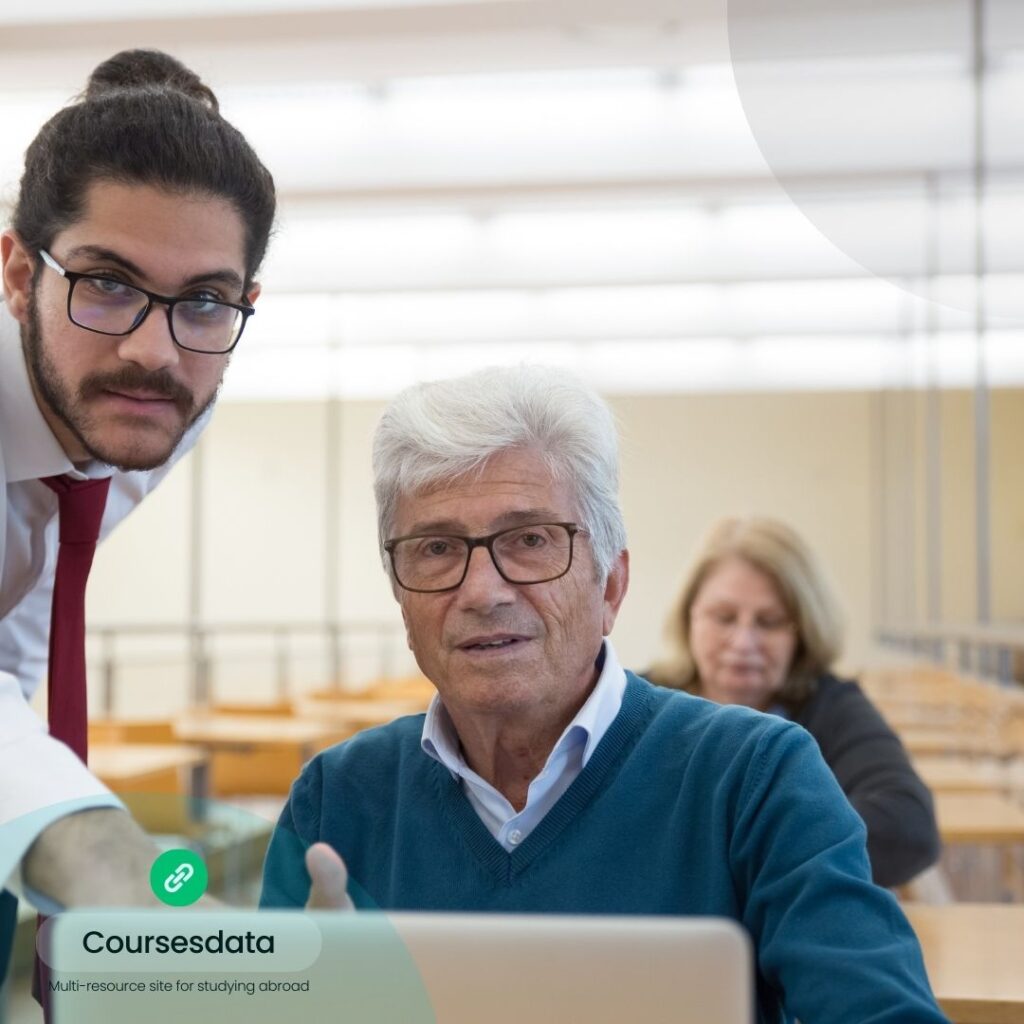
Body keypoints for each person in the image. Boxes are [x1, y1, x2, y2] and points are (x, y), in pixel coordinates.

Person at [261, 366, 948, 1024]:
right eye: (436, 549)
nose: (481, 591)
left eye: (530, 540)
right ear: (400, 595)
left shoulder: (756, 779)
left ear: (611, 586)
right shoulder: (336, 800)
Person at [0, 46, 275, 952]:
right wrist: (88, 842)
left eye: (203, 300)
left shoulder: (165, 399)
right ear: (15, 272)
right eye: (108, 285)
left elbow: (26, 611)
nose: (154, 351)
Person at [645, 516, 940, 889]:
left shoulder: (831, 706)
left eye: (769, 622)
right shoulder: (638, 704)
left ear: (803, 631)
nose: (742, 643)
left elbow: (907, 824)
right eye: (723, 617)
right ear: (690, 618)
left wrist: (737, 867)